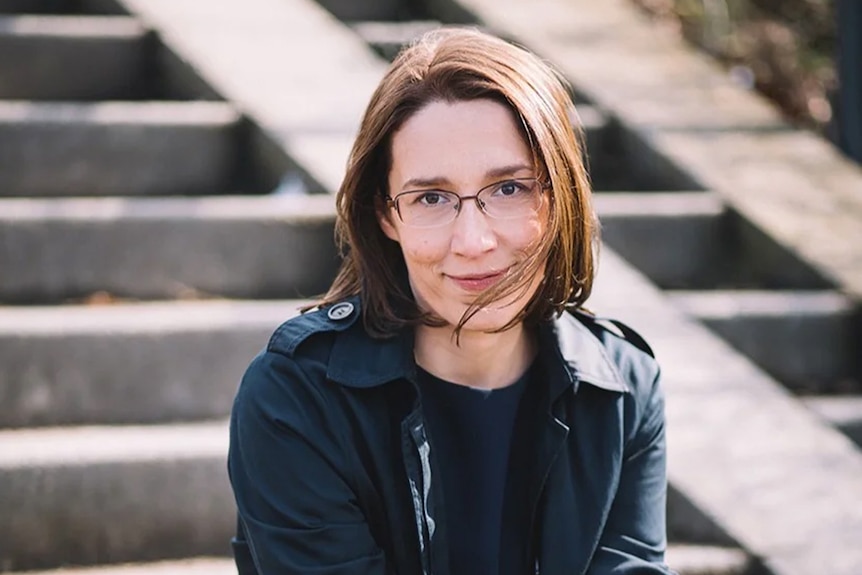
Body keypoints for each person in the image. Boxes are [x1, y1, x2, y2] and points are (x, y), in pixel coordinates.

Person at [228, 26, 674, 575]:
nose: (473, 241)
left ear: (560, 198)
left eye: (510, 188)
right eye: (432, 198)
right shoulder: (296, 397)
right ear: (386, 215)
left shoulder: (623, 387)